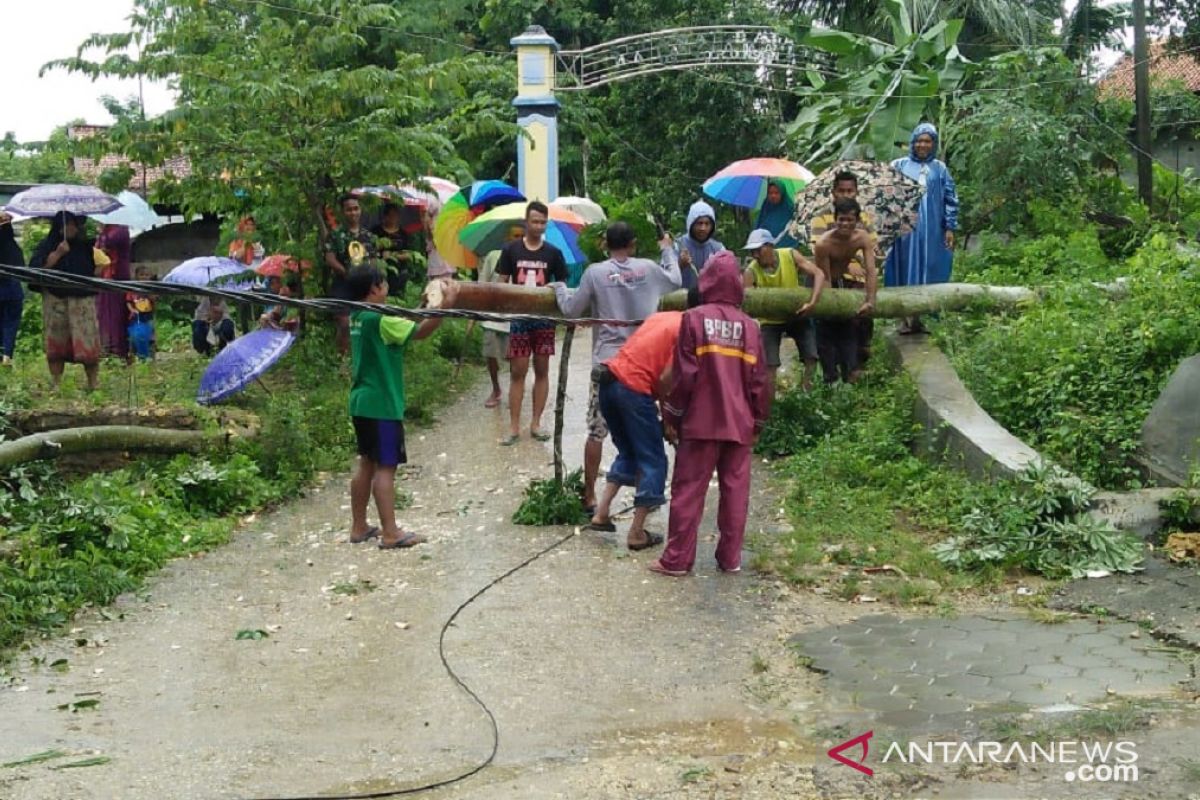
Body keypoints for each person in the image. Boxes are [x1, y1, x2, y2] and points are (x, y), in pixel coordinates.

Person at [651, 251, 768, 577]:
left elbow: (685, 376)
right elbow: (760, 380)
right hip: (740, 423)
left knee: (688, 491)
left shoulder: (693, 318)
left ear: (707, 280)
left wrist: (671, 417)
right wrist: (758, 421)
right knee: (735, 493)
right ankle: (730, 559)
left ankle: (676, 560)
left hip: (700, 422)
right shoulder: (751, 327)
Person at [552, 220, 682, 515]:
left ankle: (589, 496)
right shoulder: (648, 269)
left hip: (607, 365)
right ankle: (644, 502)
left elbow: (572, 309)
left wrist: (559, 288)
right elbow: (675, 280)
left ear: (604, 244)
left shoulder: (595, 273)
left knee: (596, 431)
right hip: (644, 364)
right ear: (633, 244)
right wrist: (667, 250)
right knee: (644, 432)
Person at [345, 265, 455, 549]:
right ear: (373, 290)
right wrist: (446, 306)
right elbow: (421, 331)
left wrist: (422, 305)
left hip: (361, 401)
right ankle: (391, 532)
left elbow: (402, 323)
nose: (386, 288)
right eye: (382, 285)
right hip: (382, 403)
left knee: (366, 463)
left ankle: (359, 526)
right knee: (386, 468)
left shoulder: (356, 316)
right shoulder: (380, 320)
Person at [590, 311, 684, 550]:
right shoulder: (689, 330)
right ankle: (636, 532)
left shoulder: (660, 317)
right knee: (653, 460)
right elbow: (665, 379)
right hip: (633, 389)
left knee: (629, 453)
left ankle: (601, 514)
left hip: (609, 383)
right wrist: (669, 418)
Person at [496, 201, 569, 445]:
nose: (538, 226)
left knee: (542, 370)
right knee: (517, 372)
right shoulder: (510, 250)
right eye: (535, 221)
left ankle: (536, 422)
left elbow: (563, 283)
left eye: (542, 222)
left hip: (544, 320)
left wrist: (554, 288)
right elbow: (501, 282)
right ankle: (514, 426)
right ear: (526, 222)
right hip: (519, 319)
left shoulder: (553, 253)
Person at [884, 122, 959, 334]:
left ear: (933, 143)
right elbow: (886, 196)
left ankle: (920, 317)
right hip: (904, 232)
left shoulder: (940, 168)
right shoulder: (898, 165)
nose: (922, 145)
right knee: (904, 268)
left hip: (932, 231)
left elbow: (950, 199)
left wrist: (949, 227)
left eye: (927, 141)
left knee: (930, 267)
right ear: (912, 142)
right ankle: (904, 317)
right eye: (918, 140)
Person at [741, 228, 825, 398]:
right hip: (769, 321)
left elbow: (818, 273)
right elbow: (746, 300)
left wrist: (813, 301)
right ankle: (771, 405)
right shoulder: (751, 271)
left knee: (811, 356)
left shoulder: (789, 255)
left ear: (770, 246)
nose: (756, 254)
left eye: (759, 250)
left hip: (797, 313)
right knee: (769, 364)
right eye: (753, 251)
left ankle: (807, 396)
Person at [808, 171, 881, 364]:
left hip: (860, 274)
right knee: (832, 323)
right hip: (830, 274)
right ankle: (836, 368)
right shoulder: (821, 218)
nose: (846, 195)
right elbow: (819, 253)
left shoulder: (863, 217)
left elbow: (873, 248)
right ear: (833, 193)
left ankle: (859, 360)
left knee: (861, 316)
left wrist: (861, 263)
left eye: (850, 191)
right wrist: (850, 267)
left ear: (856, 192)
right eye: (842, 191)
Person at [29, 212, 103, 391]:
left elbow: (97, 267)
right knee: (56, 344)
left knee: (88, 342)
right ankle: (56, 384)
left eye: (73, 224)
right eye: (66, 224)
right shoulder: (46, 246)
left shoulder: (86, 247)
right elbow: (37, 272)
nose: (70, 228)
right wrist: (57, 254)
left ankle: (93, 383)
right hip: (56, 300)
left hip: (82, 300)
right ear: (58, 227)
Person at [813, 198, 877, 384]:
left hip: (840, 283)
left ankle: (850, 376)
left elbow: (871, 270)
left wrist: (870, 300)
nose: (845, 224)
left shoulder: (862, 237)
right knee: (827, 336)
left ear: (857, 221)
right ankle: (829, 383)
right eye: (841, 219)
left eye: (849, 220)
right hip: (821, 285)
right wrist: (831, 306)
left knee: (848, 329)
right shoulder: (823, 244)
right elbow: (824, 278)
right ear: (834, 220)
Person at [324, 196, 377, 353]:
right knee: (345, 323)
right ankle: (343, 362)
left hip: (365, 285)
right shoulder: (335, 234)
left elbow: (373, 260)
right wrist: (346, 272)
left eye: (356, 208)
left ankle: (364, 357)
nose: (353, 212)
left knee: (367, 322)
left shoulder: (368, 236)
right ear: (343, 212)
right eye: (349, 209)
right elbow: (330, 259)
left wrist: (371, 279)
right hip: (343, 284)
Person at [478, 226, 523, 408]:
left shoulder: (527, 258)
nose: (518, 239)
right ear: (507, 237)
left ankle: (515, 390)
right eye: (515, 236)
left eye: (521, 236)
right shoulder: (493, 256)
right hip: (493, 316)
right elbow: (483, 282)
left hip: (516, 316)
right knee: (490, 354)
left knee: (515, 358)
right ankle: (496, 389)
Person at [95, 223, 131, 360]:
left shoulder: (121, 229)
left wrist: (102, 235)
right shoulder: (104, 231)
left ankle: (119, 350)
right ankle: (106, 349)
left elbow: (110, 244)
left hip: (118, 276)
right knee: (104, 313)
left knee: (117, 314)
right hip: (104, 276)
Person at [676, 200, 724, 291]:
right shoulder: (677, 246)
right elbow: (663, 279)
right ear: (691, 224)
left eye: (707, 224)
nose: (703, 228)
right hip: (681, 302)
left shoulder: (719, 250)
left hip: (710, 302)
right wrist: (680, 265)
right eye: (699, 223)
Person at [372, 202, 416, 297]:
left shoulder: (403, 234)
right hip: (380, 269)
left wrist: (393, 256)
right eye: (390, 215)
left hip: (399, 270)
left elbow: (409, 254)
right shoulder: (375, 231)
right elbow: (369, 250)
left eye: (395, 215)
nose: (393, 218)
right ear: (385, 216)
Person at [0, 212, 25, 367]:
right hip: (13, 291)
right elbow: (22, 268)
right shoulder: (14, 247)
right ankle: (7, 355)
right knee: (10, 325)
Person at [754, 180, 797, 248]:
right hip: (765, 251)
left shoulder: (789, 209)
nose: (773, 196)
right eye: (770, 193)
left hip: (785, 251)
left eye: (776, 193)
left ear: (782, 194)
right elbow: (758, 228)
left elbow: (794, 231)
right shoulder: (766, 207)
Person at [125, 267, 156, 361]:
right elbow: (128, 301)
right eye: (141, 275)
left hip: (148, 317)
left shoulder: (152, 288)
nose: (144, 277)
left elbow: (155, 300)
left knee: (149, 337)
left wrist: (148, 294)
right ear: (136, 276)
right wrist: (132, 310)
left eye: (147, 275)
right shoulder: (132, 288)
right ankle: (134, 355)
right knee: (134, 337)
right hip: (136, 317)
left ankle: (149, 356)